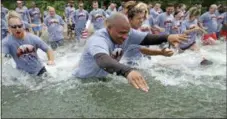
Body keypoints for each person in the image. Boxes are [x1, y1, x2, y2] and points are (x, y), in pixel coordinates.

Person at [72, 12, 188, 92]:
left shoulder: (128, 33)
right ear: (109, 28)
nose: (125, 37)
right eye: (121, 33)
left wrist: (167, 37)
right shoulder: (98, 39)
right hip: (83, 82)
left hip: (103, 79)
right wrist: (128, 71)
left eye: (127, 33)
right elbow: (103, 60)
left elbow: (146, 38)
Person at [2, 11, 55, 76]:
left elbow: (48, 49)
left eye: (19, 26)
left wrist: (51, 60)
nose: (17, 29)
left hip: (40, 70)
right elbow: (1, 56)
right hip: (23, 76)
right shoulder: (7, 42)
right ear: (9, 28)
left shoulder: (33, 38)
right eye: (14, 27)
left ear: (23, 25)